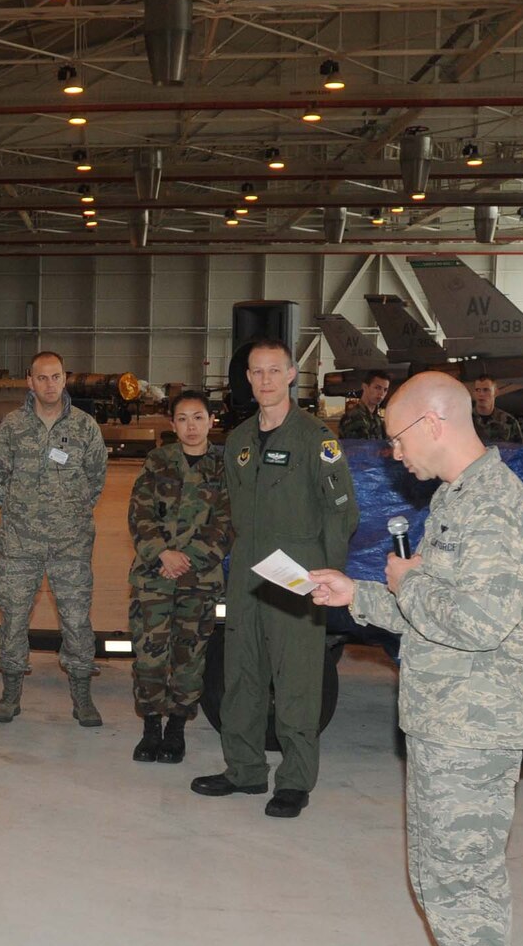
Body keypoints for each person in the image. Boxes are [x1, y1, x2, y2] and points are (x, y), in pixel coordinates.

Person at [307, 371, 523, 946]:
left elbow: (477, 621)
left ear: (433, 424)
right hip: (445, 716)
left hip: (474, 725)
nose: (393, 452)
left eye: (396, 438)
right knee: (437, 868)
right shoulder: (455, 498)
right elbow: (431, 610)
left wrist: (407, 582)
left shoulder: (495, 508)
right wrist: (357, 594)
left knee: (463, 875)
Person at [194, 339, 357, 818]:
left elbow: (342, 513)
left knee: (297, 681)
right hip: (248, 573)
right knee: (241, 674)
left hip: (297, 575)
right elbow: (232, 509)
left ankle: (295, 780)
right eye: (256, 372)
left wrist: (327, 576)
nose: (264, 380)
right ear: (247, 378)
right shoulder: (240, 440)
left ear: (291, 376)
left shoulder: (315, 439)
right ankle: (244, 769)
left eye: (273, 371)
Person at [0, 351, 108, 727]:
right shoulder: (12, 427)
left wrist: (69, 515)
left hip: (71, 544)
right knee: (13, 618)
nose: (49, 384)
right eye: (42, 378)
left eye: (55, 377)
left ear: (64, 379)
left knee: (76, 620)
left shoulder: (85, 427)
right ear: (30, 381)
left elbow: (96, 478)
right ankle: (10, 694)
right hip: (19, 544)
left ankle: (82, 696)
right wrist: (21, 514)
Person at [127, 392, 230, 765]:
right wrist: (162, 554)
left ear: (211, 421)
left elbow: (227, 523)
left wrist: (188, 559)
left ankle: (176, 728)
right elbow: (139, 513)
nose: (191, 426)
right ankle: (151, 725)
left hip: (198, 579)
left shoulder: (224, 466)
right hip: (154, 576)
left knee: (189, 658)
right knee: (149, 655)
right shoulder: (158, 461)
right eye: (183, 419)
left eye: (198, 417)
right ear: (172, 424)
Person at [469, 375, 523, 444]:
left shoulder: (509, 422)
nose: (481, 394)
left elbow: (518, 448)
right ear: (474, 394)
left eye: (486, 390)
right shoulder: (466, 420)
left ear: (495, 392)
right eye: (477, 390)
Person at [339, 370, 392, 441]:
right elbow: (359, 446)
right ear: (365, 387)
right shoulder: (354, 416)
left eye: (385, 390)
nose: (381, 393)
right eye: (377, 388)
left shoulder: (376, 418)